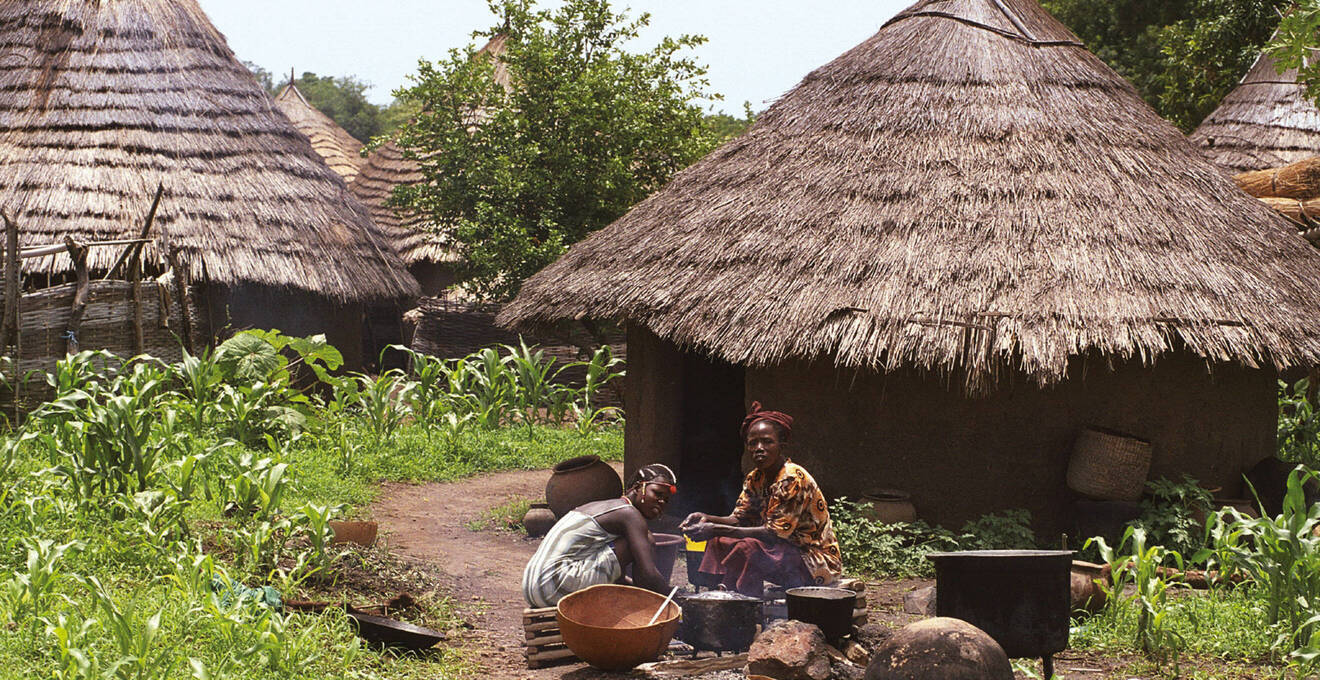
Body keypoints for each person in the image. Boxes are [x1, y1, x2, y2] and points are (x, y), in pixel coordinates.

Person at [679, 402, 842, 598]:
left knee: (748, 548)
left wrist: (715, 527)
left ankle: (746, 604)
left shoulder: (792, 478)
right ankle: (716, 594)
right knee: (717, 541)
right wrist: (706, 518)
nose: (759, 448)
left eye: (767, 442)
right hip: (780, 554)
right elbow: (738, 518)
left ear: (782, 445)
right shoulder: (755, 478)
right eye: (752, 443)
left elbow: (774, 534)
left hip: (813, 561)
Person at [521, 463, 677, 608]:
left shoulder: (605, 508)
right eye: (657, 494)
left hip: (533, 589)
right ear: (638, 488)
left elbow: (619, 577)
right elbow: (647, 575)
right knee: (646, 539)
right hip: (555, 586)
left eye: (666, 499)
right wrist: (675, 598)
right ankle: (645, 607)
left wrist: (632, 588)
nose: (662, 501)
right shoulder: (629, 514)